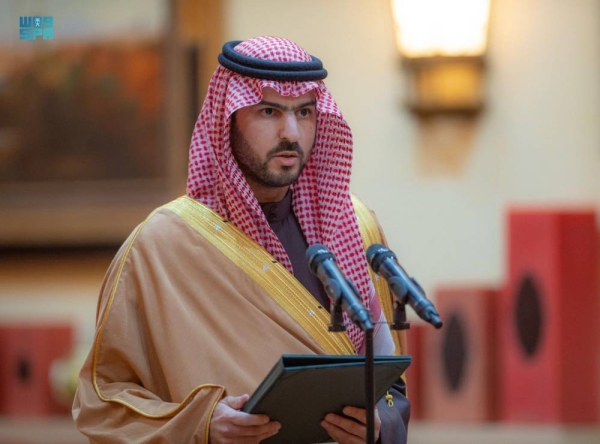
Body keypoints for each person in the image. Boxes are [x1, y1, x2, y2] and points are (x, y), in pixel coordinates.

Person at [73, 36, 410, 443]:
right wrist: (202, 424)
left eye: (304, 112)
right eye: (269, 111)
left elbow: (392, 389)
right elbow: (104, 403)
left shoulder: (356, 228)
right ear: (227, 118)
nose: (291, 132)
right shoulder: (160, 246)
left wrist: (378, 426)